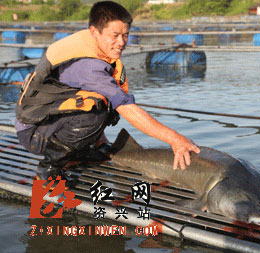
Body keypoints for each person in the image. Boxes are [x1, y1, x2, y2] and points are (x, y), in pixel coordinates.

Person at [15, 1, 200, 187]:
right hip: (35, 132)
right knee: (96, 111)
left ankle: (80, 152)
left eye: (125, 35)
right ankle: (49, 169)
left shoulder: (97, 49)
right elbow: (126, 108)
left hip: (52, 122)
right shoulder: (88, 66)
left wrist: (99, 140)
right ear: (95, 32)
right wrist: (175, 139)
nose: (121, 42)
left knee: (100, 103)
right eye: (115, 35)